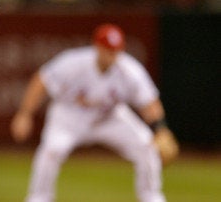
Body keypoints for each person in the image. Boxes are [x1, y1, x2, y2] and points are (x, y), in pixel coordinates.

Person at [10, 23, 177, 202]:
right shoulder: (74, 62)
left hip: (110, 117)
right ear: (97, 46)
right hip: (70, 116)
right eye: (108, 49)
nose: (112, 55)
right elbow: (41, 80)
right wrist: (24, 114)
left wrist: (160, 129)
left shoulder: (129, 70)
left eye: (116, 50)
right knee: (51, 151)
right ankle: (38, 198)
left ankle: (152, 197)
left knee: (147, 147)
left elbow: (149, 102)